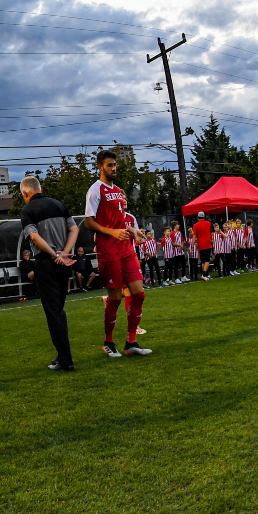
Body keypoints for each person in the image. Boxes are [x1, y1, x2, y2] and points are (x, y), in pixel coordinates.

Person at [84, 149, 151, 358]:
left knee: (139, 294)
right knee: (115, 298)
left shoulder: (119, 190)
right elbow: (88, 222)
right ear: (100, 167)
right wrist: (111, 231)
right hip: (109, 251)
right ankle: (108, 342)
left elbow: (120, 221)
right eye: (110, 165)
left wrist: (133, 232)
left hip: (127, 250)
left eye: (115, 165)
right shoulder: (95, 190)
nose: (114, 168)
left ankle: (131, 342)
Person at [20, 176, 79, 371]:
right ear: (40, 188)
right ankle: (62, 355)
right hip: (64, 262)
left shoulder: (28, 209)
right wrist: (65, 252)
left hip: (47, 263)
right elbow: (74, 229)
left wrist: (55, 254)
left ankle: (66, 360)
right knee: (59, 309)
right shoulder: (59, 204)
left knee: (54, 312)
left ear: (25, 193)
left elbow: (35, 237)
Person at [193, 211, 213, 280]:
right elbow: (210, 231)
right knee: (207, 260)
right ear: (204, 217)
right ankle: (204, 274)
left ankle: (205, 274)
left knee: (203, 261)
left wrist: (192, 245)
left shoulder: (196, 225)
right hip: (207, 243)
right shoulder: (208, 223)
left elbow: (194, 235)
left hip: (200, 244)